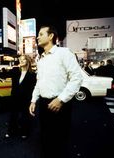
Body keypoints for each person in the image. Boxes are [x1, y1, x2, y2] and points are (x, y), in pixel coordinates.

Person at [29, 25, 83, 158]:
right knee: (45, 138)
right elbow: (39, 82)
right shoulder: (41, 59)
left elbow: (77, 78)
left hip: (61, 104)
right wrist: (33, 100)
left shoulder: (64, 53)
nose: (38, 37)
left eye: (41, 34)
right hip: (43, 103)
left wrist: (61, 99)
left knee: (60, 140)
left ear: (51, 36)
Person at [4, 54, 37, 139]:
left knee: (25, 116)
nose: (21, 61)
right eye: (20, 59)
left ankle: (24, 132)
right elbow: (4, 74)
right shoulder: (15, 71)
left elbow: (33, 88)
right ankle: (11, 131)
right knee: (13, 115)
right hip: (15, 97)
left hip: (26, 99)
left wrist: (32, 101)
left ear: (28, 62)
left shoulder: (32, 74)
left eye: (24, 60)